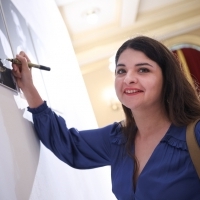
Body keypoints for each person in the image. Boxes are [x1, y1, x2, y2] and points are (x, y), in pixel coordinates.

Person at [12, 36, 200, 200]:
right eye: (121, 71)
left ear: (167, 79)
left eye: (143, 70)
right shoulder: (118, 138)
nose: (128, 79)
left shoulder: (195, 134)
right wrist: (28, 88)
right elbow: (69, 145)